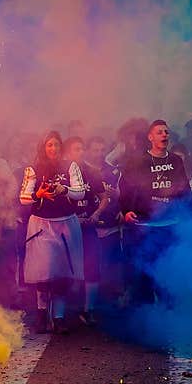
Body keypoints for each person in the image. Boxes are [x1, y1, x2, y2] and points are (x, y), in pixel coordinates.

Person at [19, 131, 85, 334]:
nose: (53, 149)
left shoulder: (70, 166)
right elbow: (23, 198)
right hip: (41, 225)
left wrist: (63, 190)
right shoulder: (33, 169)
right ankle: (41, 315)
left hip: (66, 224)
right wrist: (38, 194)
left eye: (56, 145)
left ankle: (58, 318)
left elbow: (81, 191)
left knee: (62, 274)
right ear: (43, 147)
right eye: (49, 145)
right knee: (44, 272)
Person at [120, 119, 191, 307]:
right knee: (145, 271)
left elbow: (185, 190)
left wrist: (188, 214)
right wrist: (126, 211)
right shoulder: (138, 162)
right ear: (150, 137)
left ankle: (169, 313)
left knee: (169, 269)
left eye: (166, 132)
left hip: (169, 225)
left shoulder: (175, 161)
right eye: (159, 132)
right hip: (145, 226)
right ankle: (146, 316)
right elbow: (125, 189)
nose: (164, 135)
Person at [63, 136, 110, 326]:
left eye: (82, 148)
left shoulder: (92, 172)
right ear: (68, 152)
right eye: (76, 149)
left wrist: (96, 213)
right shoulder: (62, 172)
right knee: (65, 268)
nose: (80, 152)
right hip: (67, 227)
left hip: (88, 228)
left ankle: (88, 310)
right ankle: (62, 312)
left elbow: (104, 197)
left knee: (91, 266)